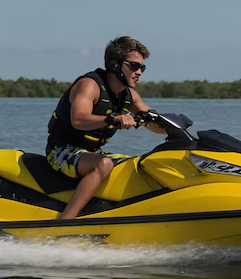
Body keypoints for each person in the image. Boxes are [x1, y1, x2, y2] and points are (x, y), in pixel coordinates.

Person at [46, 36, 165, 220]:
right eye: (134, 66)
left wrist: (173, 127)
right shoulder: (89, 85)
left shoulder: (129, 96)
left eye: (142, 67)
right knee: (104, 164)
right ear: (115, 64)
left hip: (92, 152)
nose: (139, 72)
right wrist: (113, 119)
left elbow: (153, 120)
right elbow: (79, 120)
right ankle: (64, 222)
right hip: (60, 151)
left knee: (138, 165)